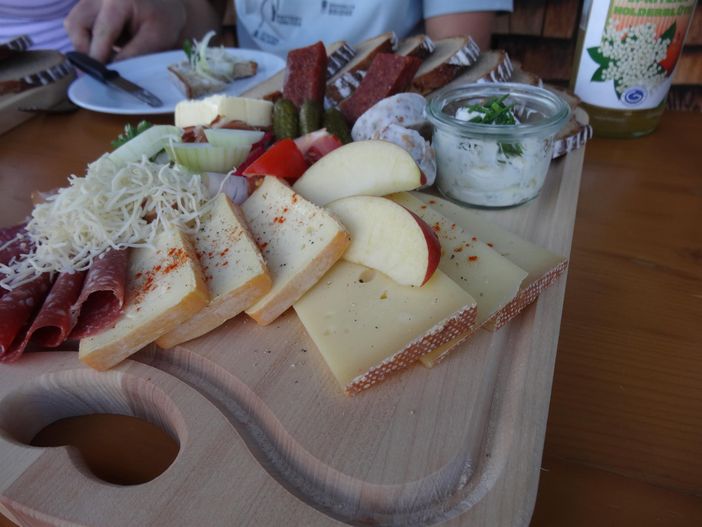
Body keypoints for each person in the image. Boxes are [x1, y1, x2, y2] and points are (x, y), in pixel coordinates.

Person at [62, 0, 512, 63]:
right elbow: (208, 33)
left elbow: (456, 62)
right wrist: (176, 11)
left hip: (367, 133)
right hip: (244, 134)